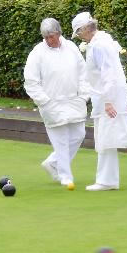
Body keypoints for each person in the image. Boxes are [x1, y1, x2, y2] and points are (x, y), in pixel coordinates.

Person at [71, 12, 127, 191]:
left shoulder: (100, 45)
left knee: (106, 138)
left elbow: (109, 74)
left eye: (79, 32)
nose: (79, 36)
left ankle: (106, 181)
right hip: (106, 97)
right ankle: (108, 180)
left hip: (106, 98)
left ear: (85, 29)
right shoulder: (101, 42)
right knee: (105, 138)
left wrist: (109, 101)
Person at [24, 18, 89, 187]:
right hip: (51, 103)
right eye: (45, 37)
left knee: (79, 135)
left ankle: (52, 162)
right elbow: (31, 81)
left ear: (59, 33)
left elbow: (83, 72)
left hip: (74, 100)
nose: (48, 40)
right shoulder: (37, 53)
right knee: (60, 141)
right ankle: (65, 176)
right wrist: (44, 101)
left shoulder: (71, 47)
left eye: (51, 36)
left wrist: (83, 95)